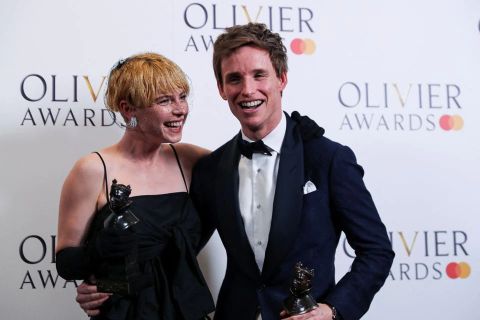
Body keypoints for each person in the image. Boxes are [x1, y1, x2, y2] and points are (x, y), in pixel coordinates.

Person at [77, 23, 395, 320]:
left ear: (281, 79)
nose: (247, 89)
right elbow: (172, 249)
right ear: (221, 88)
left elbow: (376, 251)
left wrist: (332, 309)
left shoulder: (327, 158)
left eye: (260, 75)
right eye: (234, 79)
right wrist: (109, 284)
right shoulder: (212, 168)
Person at [56, 52, 215, 319]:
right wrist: (100, 251)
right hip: (125, 312)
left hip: (184, 310)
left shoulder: (193, 160)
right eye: (165, 100)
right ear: (128, 109)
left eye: (182, 97)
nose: (180, 109)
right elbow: (66, 263)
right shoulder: (93, 169)